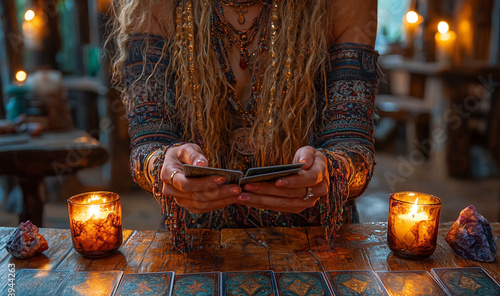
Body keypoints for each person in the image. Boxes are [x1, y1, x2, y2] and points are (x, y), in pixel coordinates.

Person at [110, 0, 379, 250]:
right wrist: (161, 166)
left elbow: (354, 147)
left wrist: (332, 172)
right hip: (199, 246)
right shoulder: (149, 4)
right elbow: (148, 142)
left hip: (317, 244)